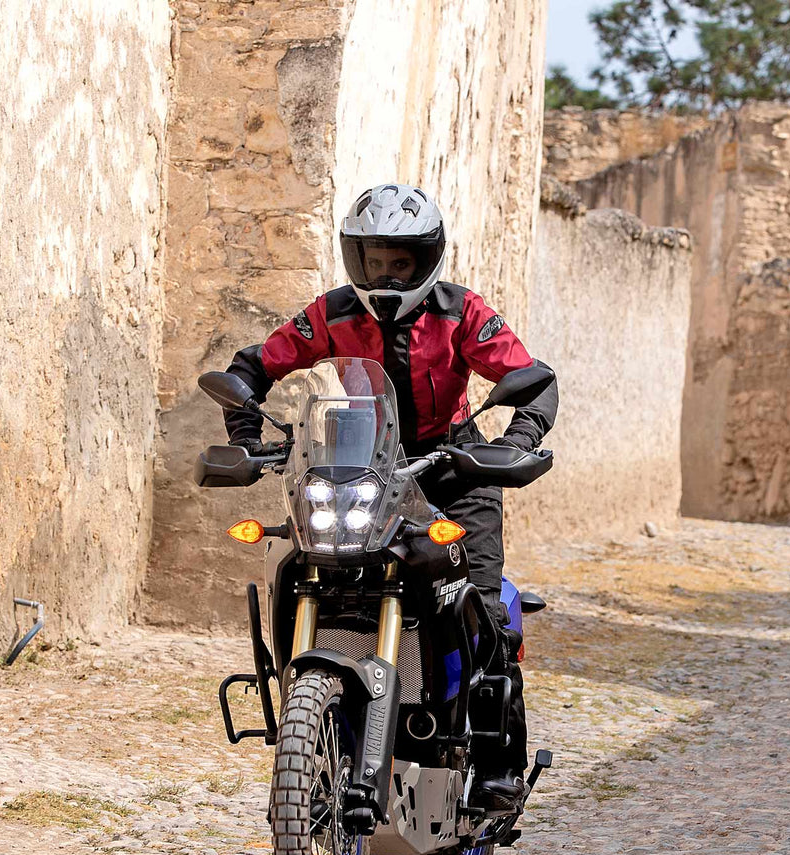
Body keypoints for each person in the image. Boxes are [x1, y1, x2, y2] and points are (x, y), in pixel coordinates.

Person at [219, 183, 557, 809]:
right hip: (360, 469)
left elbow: (531, 380)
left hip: (452, 469)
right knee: (310, 567)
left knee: (482, 613)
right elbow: (252, 367)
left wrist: (515, 443)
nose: (386, 274)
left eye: (400, 261)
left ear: (426, 258)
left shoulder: (463, 313)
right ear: (355, 257)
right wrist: (246, 436)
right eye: (374, 260)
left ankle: (497, 768)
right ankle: (315, 720)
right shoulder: (332, 313)